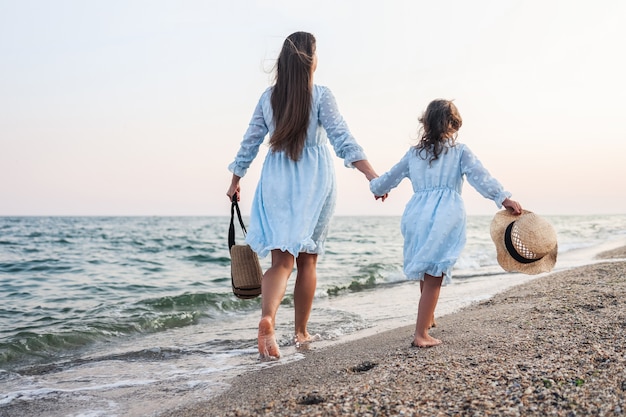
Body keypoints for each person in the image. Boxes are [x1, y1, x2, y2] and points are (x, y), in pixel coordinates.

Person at [226, 31, 384, 360]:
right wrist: (371, 174)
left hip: (276, 181)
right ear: (311, 61)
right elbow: (343, 138)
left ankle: (267, 318)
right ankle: (300, 332)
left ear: (282, 62)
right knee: (307, 260)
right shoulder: (322, 95)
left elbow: (249, 144)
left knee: (281, 261)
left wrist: (235, 180)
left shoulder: (268, 98)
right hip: (315, 181)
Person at [369, 99, 522, 348]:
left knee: (426, 268)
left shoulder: (414, 154)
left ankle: (427, 319)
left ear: (426, 124)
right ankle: (420, 334)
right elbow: (480, 177)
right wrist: (502, 197)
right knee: (434, 274)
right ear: (453, 124)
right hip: (445, 215)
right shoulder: (459, 151)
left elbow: (388, 179)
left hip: (416, 215)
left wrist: (378, 187)